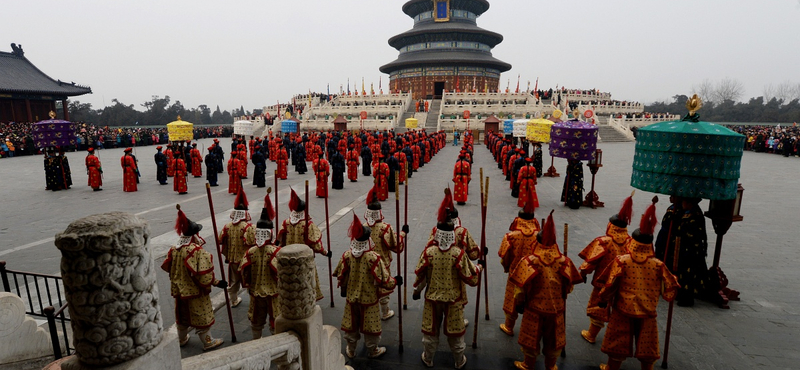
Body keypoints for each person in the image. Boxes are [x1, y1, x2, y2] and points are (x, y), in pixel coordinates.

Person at [597, 198, 679, 370]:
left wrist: (603, 299)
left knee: (618, 340)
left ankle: (612, 368)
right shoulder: (658, 265)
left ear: (633, 242)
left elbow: (611, 284)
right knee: (647, 344)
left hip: (623, 309)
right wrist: (669, 294)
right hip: (648, 311)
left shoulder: (622, 261)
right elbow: (671, 286)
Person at [413, 194, 482, 369]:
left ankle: (428, 358)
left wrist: (417, 291)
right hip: (454, 297)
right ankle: (459, 360)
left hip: (432, 297)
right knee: (455, 333)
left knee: (431, 331)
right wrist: (479, 267)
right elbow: (471, 275)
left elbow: (422, 276)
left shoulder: (428, 253)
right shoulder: (458, 254)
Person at [509, 210, 582, 370]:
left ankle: (528, 364)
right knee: (553, 340)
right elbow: (569, 287)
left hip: (534, 307)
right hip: (556, 309)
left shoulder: (529, 261)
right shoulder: (564, 261)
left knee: (531, 337)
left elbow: (520, 289)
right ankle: (551, 366)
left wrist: (519, 303)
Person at [333, 213, 399, 359]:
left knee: (352, 324)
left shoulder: (347, 255)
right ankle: (372, 349)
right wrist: (396, 281)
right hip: (369, 298)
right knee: (371, 326)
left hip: (352, 297)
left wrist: (344, 289)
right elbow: (385, 280)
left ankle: (351, 348)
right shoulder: (373, 258)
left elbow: (341, 275)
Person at [161, 205, 226, 350]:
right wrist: (217, 282)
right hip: (195, 291)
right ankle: (208, 341)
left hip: (179, 290)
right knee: (201, 316)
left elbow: (168, 267)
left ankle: (182, 338)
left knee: (183, 317)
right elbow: (203, 276)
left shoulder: (173, 249)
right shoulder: (197, 251)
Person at [577, 195, 633, 344]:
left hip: (604, 281)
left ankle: (592, 334)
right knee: (618, 310)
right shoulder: (632, 242)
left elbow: (591, 261)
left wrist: (582, 273)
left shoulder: (604, 242)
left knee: (599, 306)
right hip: (623, 283)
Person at [497, 188, 540, 336]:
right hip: (535, 274)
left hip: (515, 272)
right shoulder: (540, 237)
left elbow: (504, 257)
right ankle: (532, 331)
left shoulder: (511, 236)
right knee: (533, 299)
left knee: (513, 298)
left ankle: (509, 326)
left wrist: (507, 267)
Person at [239, 192, 281, 339]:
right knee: (275, 319)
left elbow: (243, 271)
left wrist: (249, 284)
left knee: (257, 321)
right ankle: (275, 344)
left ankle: (256, 341)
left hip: (255, 292)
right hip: (273, 293)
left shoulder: (250, 252)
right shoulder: (277, 252)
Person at [276, 189, 331, 301]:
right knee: (307, 282)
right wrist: (326, 253)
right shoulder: (308, 225)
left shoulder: (285, 223)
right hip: (304, 259)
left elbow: (279, 243)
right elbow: (316, 245)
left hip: (288, 259)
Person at [364, 186, 405, 320]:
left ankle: (369, 310)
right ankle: (385, 311)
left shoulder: (363, 227)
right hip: (381, 261)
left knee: (369, 285)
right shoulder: (385, 228)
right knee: (383, 285)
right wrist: (403, 234)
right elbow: (395, 244)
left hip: (366, 262)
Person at [219, 188, 255, 308]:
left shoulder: (227, 226)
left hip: (232, 260)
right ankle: (253, 302)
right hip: (245, 260)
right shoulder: (248, 227)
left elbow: (220, 240)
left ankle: (233, 300)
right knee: (250, 281)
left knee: (234, 282)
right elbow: (254, 243)